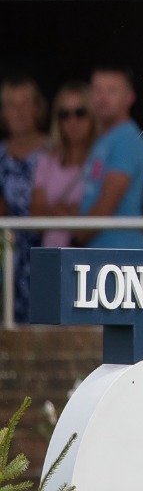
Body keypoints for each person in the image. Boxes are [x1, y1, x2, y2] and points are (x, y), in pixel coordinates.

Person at [77, 67, 143, 249]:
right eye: (97, 90)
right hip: (105, 252)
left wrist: (75, 236)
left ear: (129, 97)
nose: (103, 98)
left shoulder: (126, 139)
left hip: (120, 253)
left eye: (111, 91)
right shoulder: (104, 138)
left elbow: (106, 206)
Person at [0, 76, 48, 320]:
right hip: (7, 252)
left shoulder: (56, 149)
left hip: (46, 248)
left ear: (38, 108)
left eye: (25, 103)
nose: (18, 112)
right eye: (10, 104)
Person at [32, 81, 94, 251]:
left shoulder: (101, 159)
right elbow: (35, 215)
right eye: (64, 114)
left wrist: (63, 213)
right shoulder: (46, 160)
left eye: (79, 113)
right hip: (50, 252)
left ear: (93, 115)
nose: (72, 120)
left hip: (87, 256)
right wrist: (63, 213)